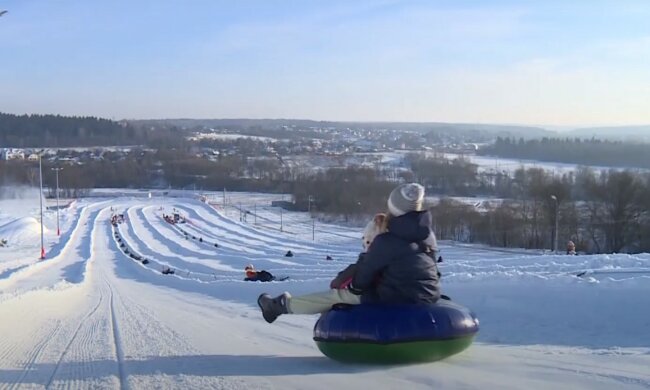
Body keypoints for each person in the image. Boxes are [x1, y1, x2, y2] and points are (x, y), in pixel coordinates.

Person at [258, 183, 441, 323]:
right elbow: (433, 268)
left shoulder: (386, 241)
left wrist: (354, 288)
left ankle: (279, 306)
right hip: (429, 295)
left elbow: (365, 272)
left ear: (393, 209)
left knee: (336, 296)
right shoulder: (427, 236)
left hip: (395, 299)